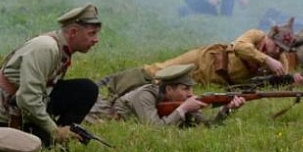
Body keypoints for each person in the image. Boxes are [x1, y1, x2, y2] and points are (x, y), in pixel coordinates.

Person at [0, 4, 102, 150]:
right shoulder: (46, 48)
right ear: (74, 32)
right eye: (91, 34)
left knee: (86, 89)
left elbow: (43, 90)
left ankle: (56, 141)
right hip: (6, 113)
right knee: (37, 149)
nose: (96, 40)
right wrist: (54, 130)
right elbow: (27, 98)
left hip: (27, 104)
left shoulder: (60, 47)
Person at [97, 17, 303, 97]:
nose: (276, 52)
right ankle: (112, 82)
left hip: (212, 81)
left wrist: (291, 81)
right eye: (275, 46)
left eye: (281, 50)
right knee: (158, 71)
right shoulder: (255, 35)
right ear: (268, 37)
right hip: (203, 59)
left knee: (168, 87)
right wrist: (266, 59)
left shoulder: (280, 60)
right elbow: (239, 47)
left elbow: (276, 82)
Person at [88, 64, 245, 127]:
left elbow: (207, 126)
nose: (190, 94)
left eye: (191, 89)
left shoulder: (178, 101)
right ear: (169, 89)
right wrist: (182, 110)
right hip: (96, 113)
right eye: (185, 89)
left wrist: (226, 110)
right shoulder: (145, 94)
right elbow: (154, 128)